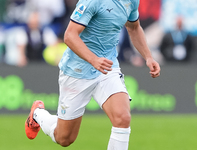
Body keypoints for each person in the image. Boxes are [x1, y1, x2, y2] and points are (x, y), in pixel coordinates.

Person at [25, 0, 160, 149]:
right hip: (77, 70)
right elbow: (69, 36)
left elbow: (134, 28)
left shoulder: (132, 1)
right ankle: (38, 113)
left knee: (123, 118)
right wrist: (93, 59)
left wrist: (148, 57)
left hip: (107, 68)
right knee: (64, 138)